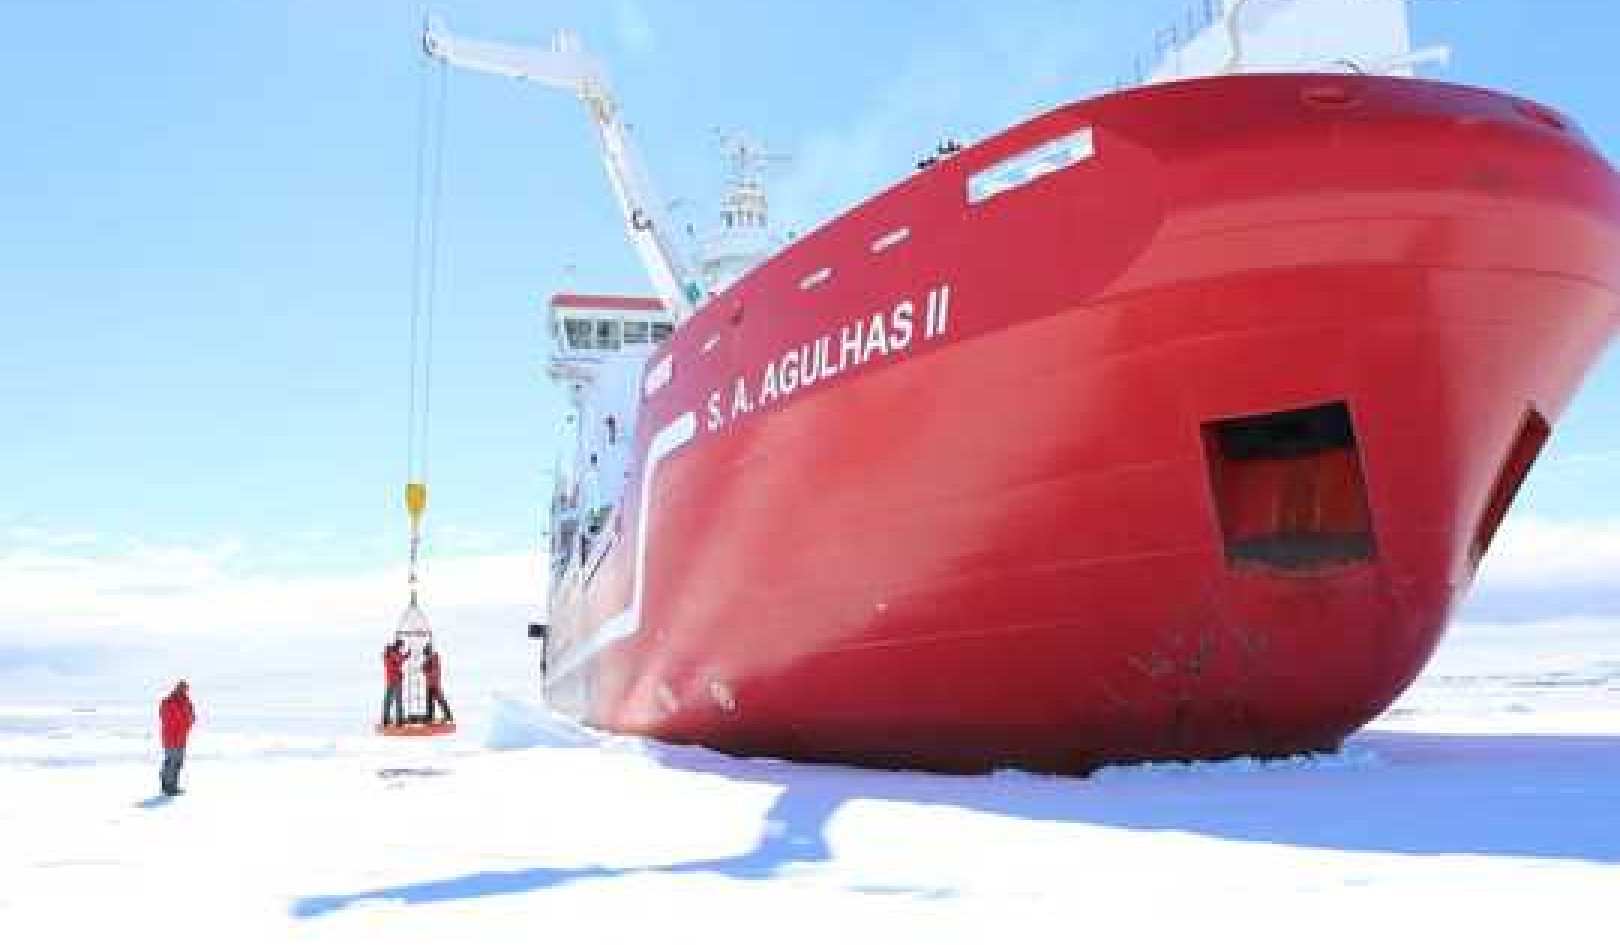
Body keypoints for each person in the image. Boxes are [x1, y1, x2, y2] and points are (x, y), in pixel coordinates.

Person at [158, 679, 195, 796]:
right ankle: (169, 786)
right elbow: (175, 719)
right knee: (173, 761)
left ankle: (170, 784)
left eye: (186, 689)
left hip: (180, 736)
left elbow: (190, 718)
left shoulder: (185, 702)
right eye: (183, 688)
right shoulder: (170, 701)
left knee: (176, 761)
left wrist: (189, 718)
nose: (185, 691)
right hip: (172, 736)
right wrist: (187, 719)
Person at [422, 643, 454, 724]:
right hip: (429, 684)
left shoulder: (434, 659)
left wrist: (426, 669)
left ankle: (448, 716)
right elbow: (427, 671)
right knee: (429, 701)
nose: (425, 656)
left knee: (440, 700)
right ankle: (430, 717)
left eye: (426, 653)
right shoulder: (429, 660)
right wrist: (425, 668)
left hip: (435, 684)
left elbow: (433, 672)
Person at [381, 639, 410, 727]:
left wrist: (407, 655)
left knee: (392, 700)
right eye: (401, 647)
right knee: (394, 700)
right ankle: (394, 721)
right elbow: (395, 663)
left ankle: (392, 720)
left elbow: (399, 660)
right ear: (398, 646)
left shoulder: (393, 653)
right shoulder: (391, 654)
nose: (401, 649)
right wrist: (399, 672)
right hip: (393, 680)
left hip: (393, 680)